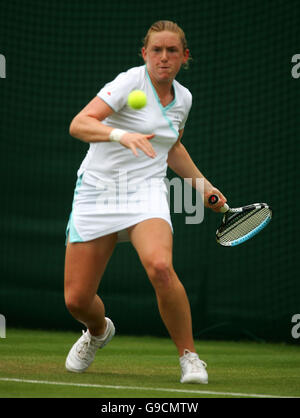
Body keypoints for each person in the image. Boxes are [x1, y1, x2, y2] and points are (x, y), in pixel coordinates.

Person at [64, 20, 226, 384]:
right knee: (76, 300)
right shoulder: (128, 83)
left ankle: (190, 356)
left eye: (172, 51)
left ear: (185, 57)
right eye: (156, 50)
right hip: (99, 191)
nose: (163, 58)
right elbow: (79, 124)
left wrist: (203, 187)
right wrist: (121, 134)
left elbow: (173, 147)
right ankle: (97, 330)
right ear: (144, 54)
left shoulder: (183, 99)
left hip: (146, 192)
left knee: (160, 267)